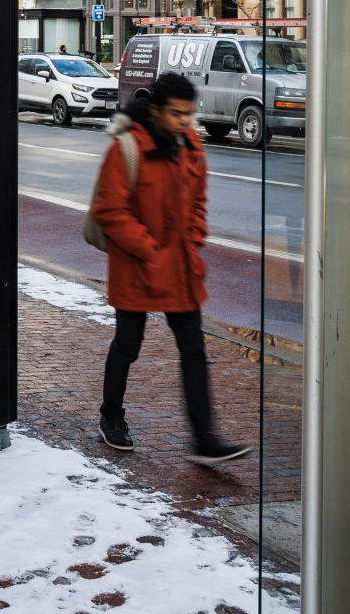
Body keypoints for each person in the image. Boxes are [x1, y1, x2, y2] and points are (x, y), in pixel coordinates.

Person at [89, 70, 248, 465]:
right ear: (156, 109)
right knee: (128, 345)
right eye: (177, 114)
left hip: (178, 267)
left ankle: (204, 438)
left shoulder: (191, 146)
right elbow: (111, 211)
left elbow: (198, 203)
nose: (184, 122)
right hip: (138, 265)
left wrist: (192, 240)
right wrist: (150, 250)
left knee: (193, 347)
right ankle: (111, 417)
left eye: (189, 115)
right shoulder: (126, 148)